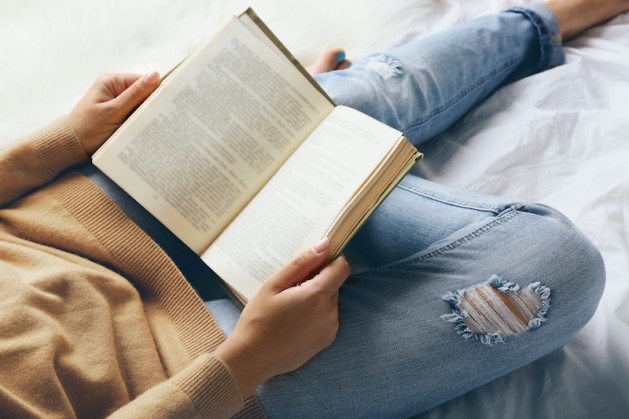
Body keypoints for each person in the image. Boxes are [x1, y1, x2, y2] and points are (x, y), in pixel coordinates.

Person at [1, 0, 626, 417]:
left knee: (307, 116)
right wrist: (246, 362)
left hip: (70, 218)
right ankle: (324, 138)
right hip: (182, 374)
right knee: (547, 270)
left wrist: (67, 137)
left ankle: (534, 20)